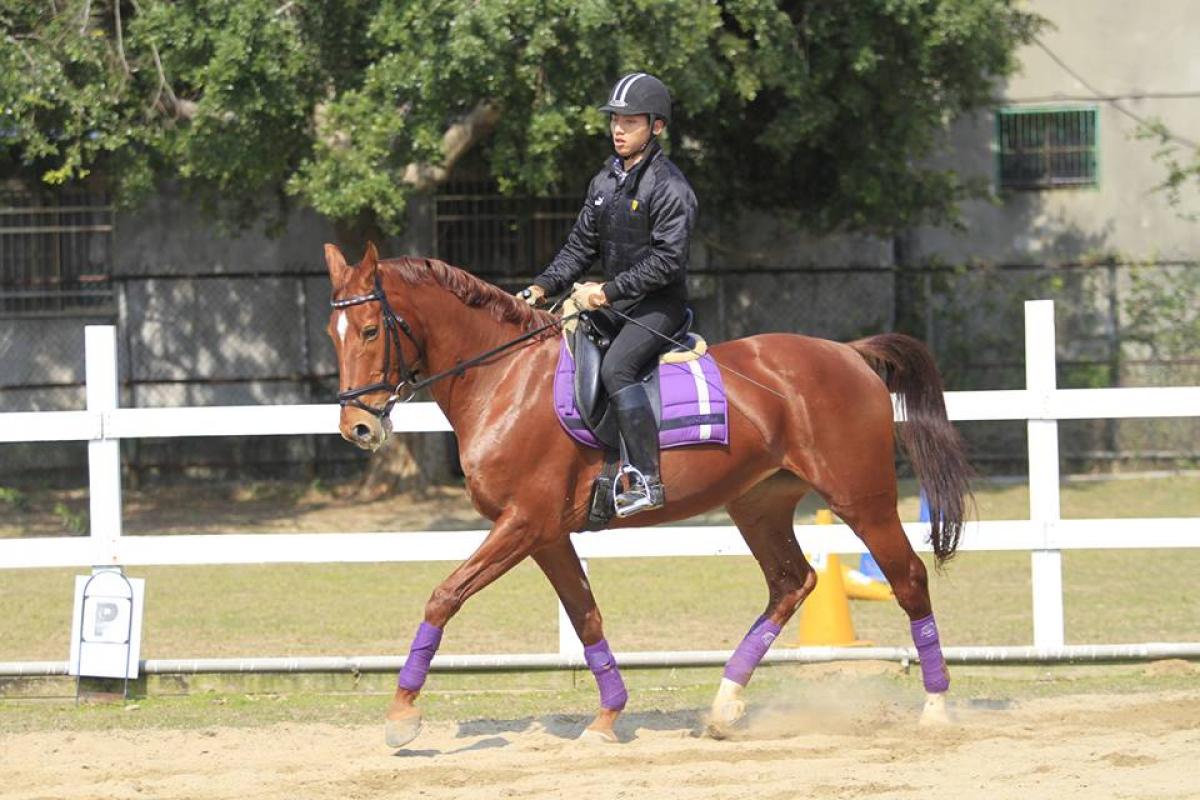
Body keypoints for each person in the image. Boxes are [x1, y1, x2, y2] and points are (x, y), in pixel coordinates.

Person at [518, 72, 698, 518]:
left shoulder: (670, 187)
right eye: (615, 120)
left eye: (630, 121)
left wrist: (610, 291)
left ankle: (645, 478)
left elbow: (667, 262)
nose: (618, 129)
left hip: (658, 307)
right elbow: (580, 246)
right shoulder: (605, 182)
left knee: (618, 369)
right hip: (614, 303)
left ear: (656, 127)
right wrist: (543, 286)